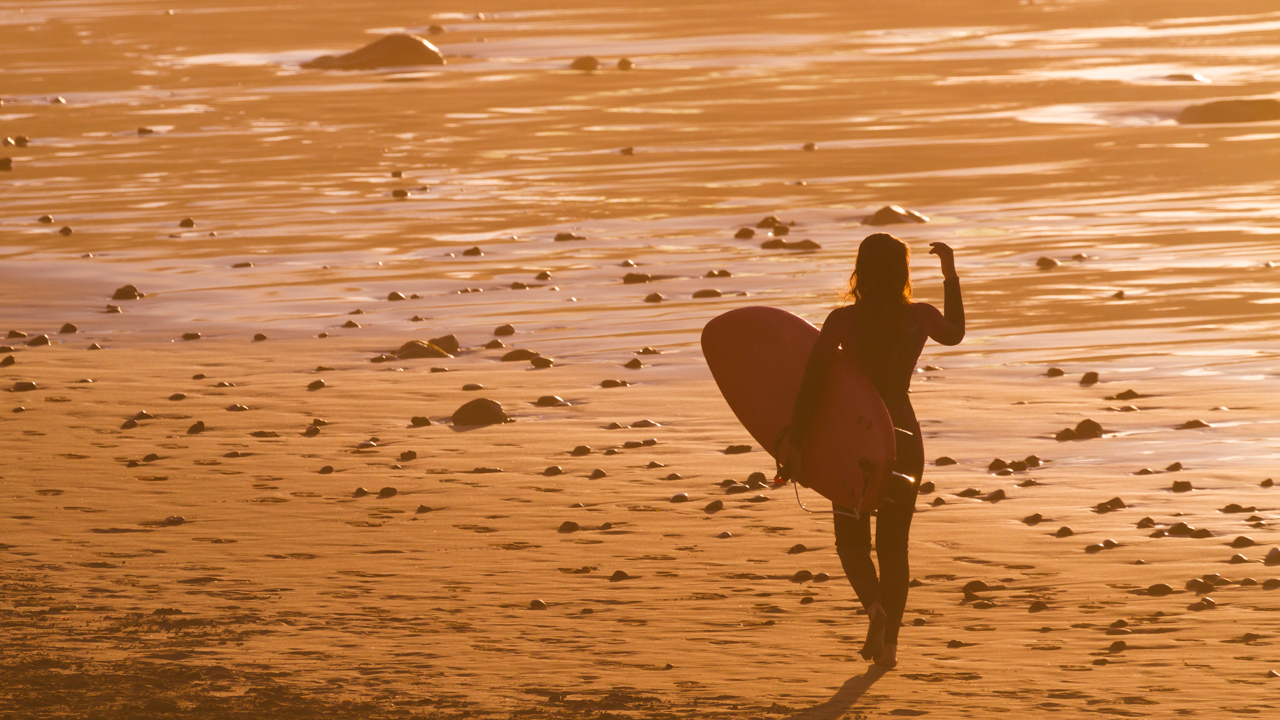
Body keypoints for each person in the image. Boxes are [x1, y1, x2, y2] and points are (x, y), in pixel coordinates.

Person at [786, 233, 964, 668]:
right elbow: (955, 334)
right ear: (903, 272)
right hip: (902, 435)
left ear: (860, 271)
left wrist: (794, 441)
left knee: (850, 542)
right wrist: (950, 275)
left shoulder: (842, 322)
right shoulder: (919, 318)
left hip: (855, 440)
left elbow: (812, 384)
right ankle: (889, 649)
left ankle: (874, 609)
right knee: (894, 547)